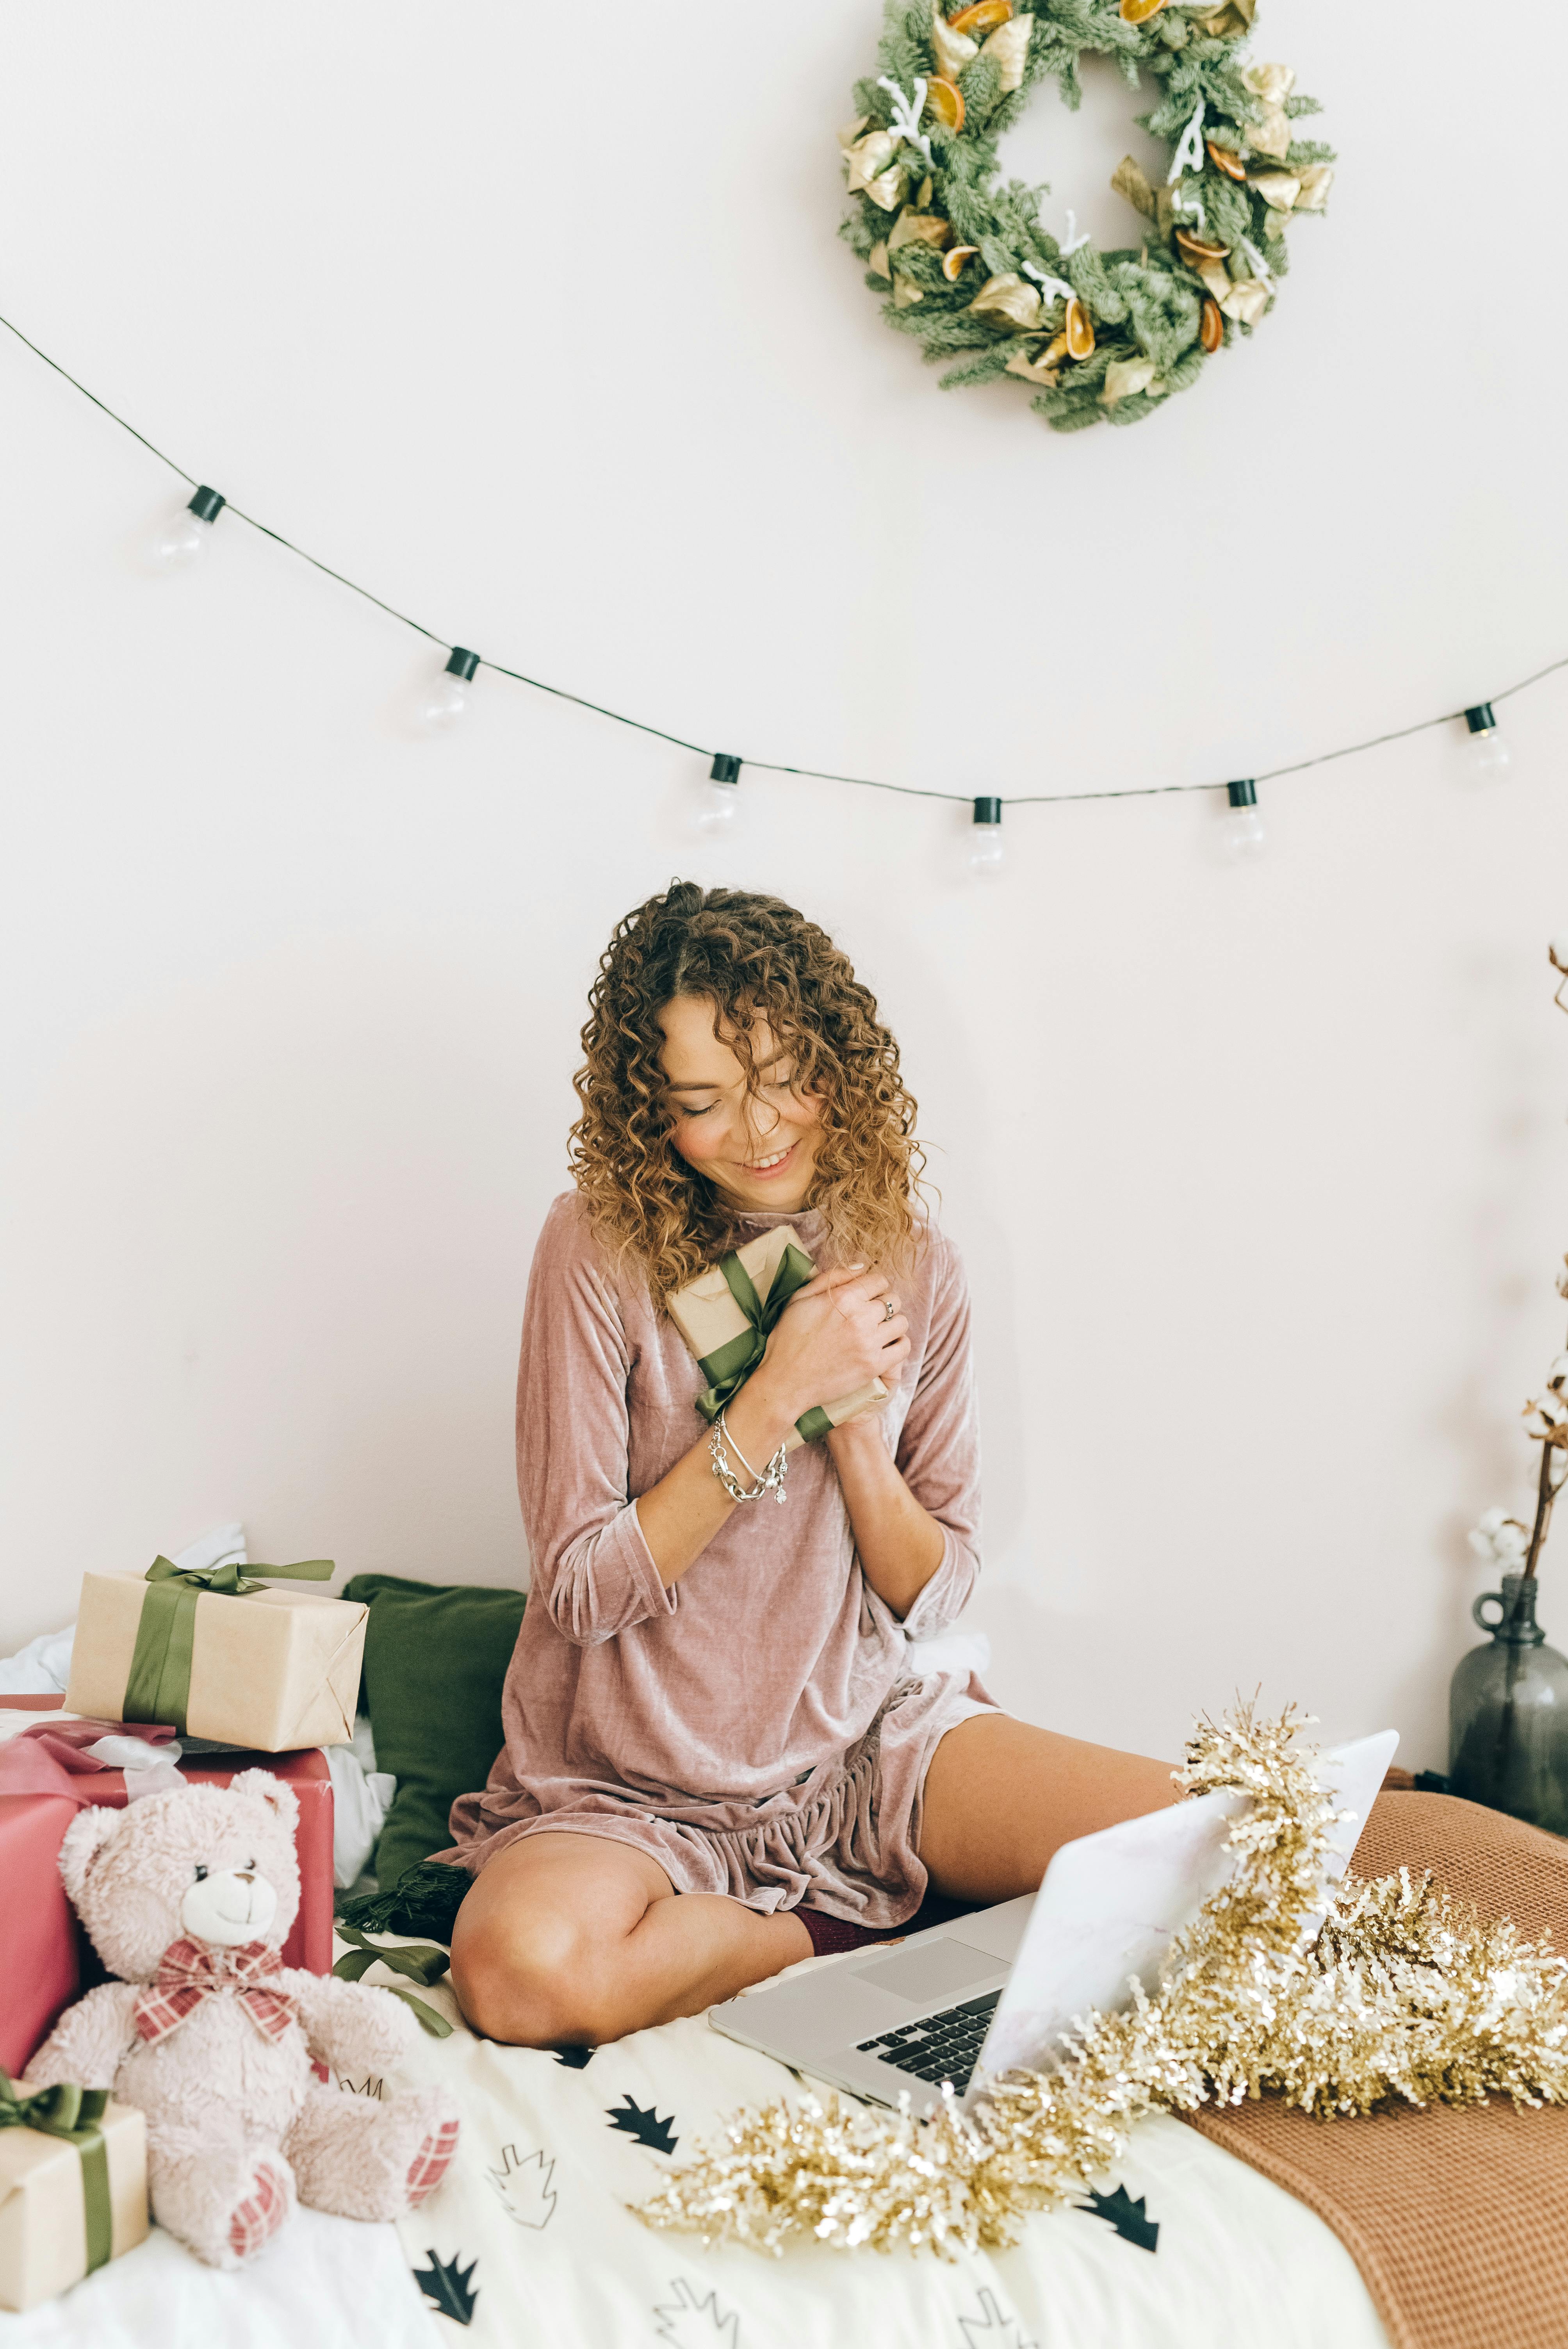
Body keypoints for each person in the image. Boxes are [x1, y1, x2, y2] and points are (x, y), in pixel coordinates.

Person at [444, 884, 1177, 2046]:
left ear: (839, 1061)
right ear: (649, 1111)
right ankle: (848, 1932)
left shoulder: (917, 1261)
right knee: (518, 1976)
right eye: (704, 1101)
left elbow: (933, 1589)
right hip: (632, 1786)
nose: (763, 1128)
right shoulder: (591, 1249)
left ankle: (877, 1881)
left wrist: (853, 1435)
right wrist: (778, 1393)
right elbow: (582, 1588)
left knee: (1208, 1849)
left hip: (861, 1748)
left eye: (789, 1075)